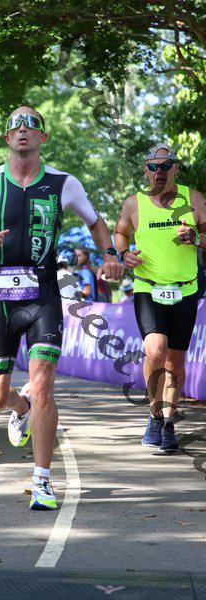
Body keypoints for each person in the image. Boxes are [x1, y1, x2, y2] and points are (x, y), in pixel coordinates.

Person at [0, 106, 123, 510]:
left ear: (42, 137)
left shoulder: (63, 183)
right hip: (0, 299)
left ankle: (43, 481)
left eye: (32, 124)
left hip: (44, 295)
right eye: (15, 125)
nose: (23, 129)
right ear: (7, 138)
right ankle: (21, 407)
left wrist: (110, 254)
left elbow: (95, 221)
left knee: (45, 382)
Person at [114, 142, 206, 452]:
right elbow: (120, 233)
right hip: (148, 286)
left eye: (165, 166)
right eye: (154, 166)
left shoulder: (194, 199)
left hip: (186, 288)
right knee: (155, 349)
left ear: (175, 168)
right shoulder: (134, 203)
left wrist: (196, 237)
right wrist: (124, 253)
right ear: (146, 170)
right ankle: (154, 414)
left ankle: (168, 422)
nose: (159, 171)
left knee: (175, 361)